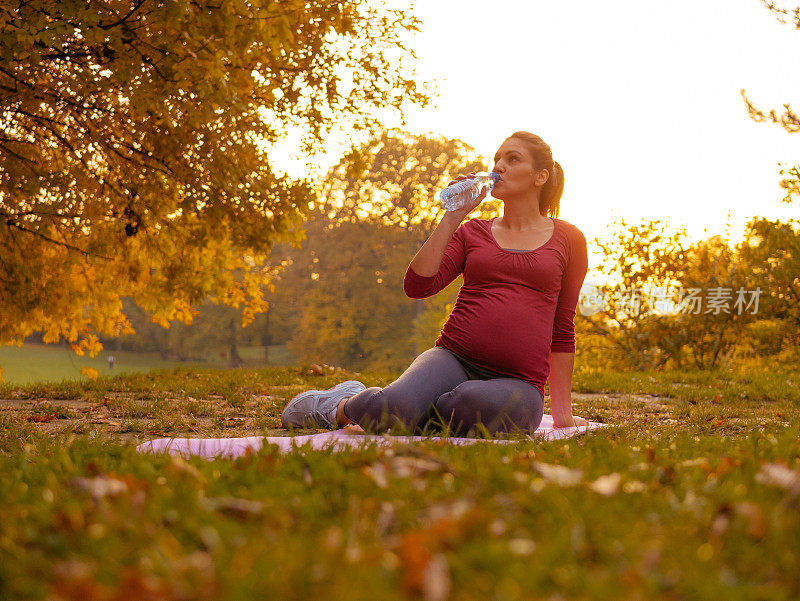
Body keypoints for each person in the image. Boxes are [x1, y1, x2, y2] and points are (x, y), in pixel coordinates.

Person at [281, 131, 589, 436]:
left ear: (540, 177)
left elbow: (562, 329)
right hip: (452, 358)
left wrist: (563, 416)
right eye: (497, 158)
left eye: (512, 159)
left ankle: (416, 411)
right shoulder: (473, 232)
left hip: (519, 382)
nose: (499, 166)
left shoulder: (569, 239)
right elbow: (417, 286)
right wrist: (452, 217)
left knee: (468, 404)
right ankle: (341, 404)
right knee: (395, 409)